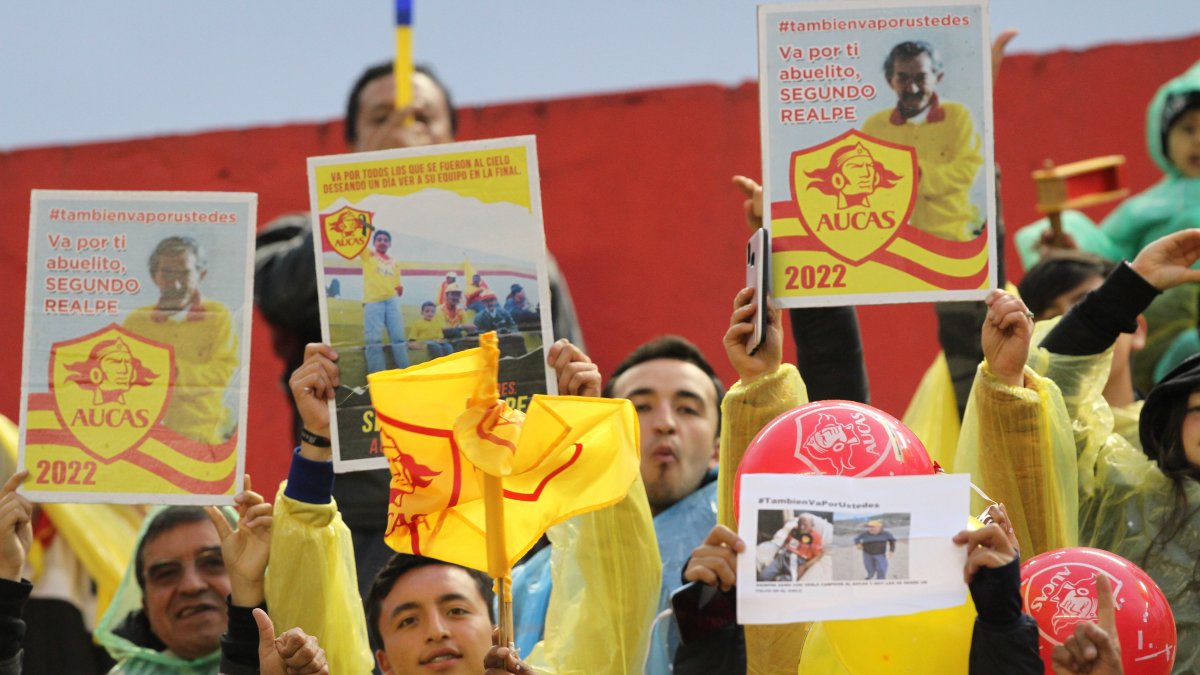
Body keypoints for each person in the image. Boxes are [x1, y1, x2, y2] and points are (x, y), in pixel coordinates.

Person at [255, 61, 587, 597]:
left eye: (422, 117)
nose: (402, 130)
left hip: (488, 515)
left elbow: (564, 383)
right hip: (366, 523)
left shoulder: (510, 247)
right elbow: (275, 292)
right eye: (381, 118)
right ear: (352, 141)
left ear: (450, 138)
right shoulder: (302, 234)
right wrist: (369, 197)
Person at [958, 228, 1200, 671]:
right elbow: (1054, 411)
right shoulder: (1127, 494)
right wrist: (1131, 288)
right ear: (1172, 419)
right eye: (1199, 408)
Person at [1027, 59, 1200, 391]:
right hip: (1165, 326)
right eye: (1187, 129)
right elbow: (1107, 259)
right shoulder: (1145, 207)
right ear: (1163, 137)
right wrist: (1074, 248)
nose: (1198, 140)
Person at [862, 40, 983, 243]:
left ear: (938, 77)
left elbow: (967, 170)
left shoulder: (958, 117)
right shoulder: (874, 126)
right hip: (894, 241)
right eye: (903, 78)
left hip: (952, 237)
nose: (912, 88)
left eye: (921, 78)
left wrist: (915, 174)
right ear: (890, 80)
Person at [124, 236, 238, 445]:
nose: (176, 284)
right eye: (167, 273)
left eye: (184, 274)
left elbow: (224, 373)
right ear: (154, 276)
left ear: (201, 275)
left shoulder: (218, 316)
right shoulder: (135, 321)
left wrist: (171, 372)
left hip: (204, 435)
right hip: (146, 436)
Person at [360, 229, 410, 374]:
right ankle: (378, 376)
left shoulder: (395, 262)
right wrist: (363, 227)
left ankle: (406, 373)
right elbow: (359, 242)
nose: (382, 242)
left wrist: (398, 287)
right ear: (374, 243)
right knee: (373, 341)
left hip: (392, 301)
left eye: (386, 240)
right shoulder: (368, 255)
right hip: (373, 301)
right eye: (379, 239)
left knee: (399, 338)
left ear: (389, 244)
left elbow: (397, 282)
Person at [760, 513, 824, 582]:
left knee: (787, 581)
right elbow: (786, 541)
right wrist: (779, 552)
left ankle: (779, 578)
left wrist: (805, 566)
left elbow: (819, 555)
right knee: (762, 577)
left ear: (812, 526)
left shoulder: (815, 537)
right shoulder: (794, 530)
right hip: (783, 556)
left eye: (805, 525)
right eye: (800, 524)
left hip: (797, 560)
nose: (801, 527)